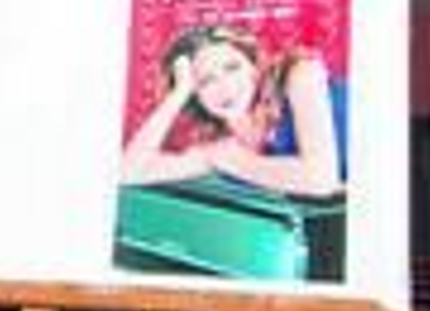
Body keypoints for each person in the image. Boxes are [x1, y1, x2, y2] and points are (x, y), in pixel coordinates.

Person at [121, 24, 345, 198]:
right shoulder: (218, 148)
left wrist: (232, 161)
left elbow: (320, 180)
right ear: (195, 96)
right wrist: (178, 94)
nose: (225, 87)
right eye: (205, 81)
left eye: (232, 68)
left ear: (254, 65)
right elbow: (127, 173)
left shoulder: (300, 74)